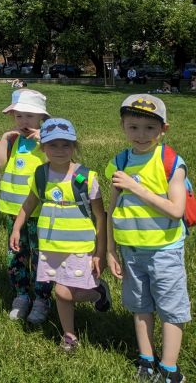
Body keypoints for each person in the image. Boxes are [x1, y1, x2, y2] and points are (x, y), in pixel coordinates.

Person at [106, 94, 190, 382]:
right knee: (139, 306)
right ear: (123, 126)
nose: (141, 135)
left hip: (164, 250)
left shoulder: (170, 162)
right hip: (131, 250)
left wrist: (135, 186)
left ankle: (170, 368)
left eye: (149, 128)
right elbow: (111, 211)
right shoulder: (119, 161)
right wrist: (109, 250)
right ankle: (146, 358)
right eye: (133, 127)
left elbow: (177, 210)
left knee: (170, 307)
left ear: (163, 130)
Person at [10, 118, 111, 352]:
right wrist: (17, 228)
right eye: (53, 145)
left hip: (80, 246)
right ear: (43, 147)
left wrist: (101, 251)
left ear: (74, 147)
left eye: (66, 145)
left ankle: (98, 294)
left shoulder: (86, 178)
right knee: (61, 291)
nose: (59, 150)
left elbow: (100, 216)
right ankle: (69, 335)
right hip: (51, 246)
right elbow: (29, 204)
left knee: (68, 291)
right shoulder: (41, 175)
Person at [0, 89, 54, 323]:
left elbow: (59, 166)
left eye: (30, 116)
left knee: (41, 257)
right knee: (16, 255)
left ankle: (42, 298)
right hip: (13, 211)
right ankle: (21, 295)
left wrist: (44, 141)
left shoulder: (47, 143)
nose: (24, 121)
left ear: (41, 118)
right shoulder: (13, 141)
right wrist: (4, 139)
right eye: (19, 116)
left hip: (40, 213)